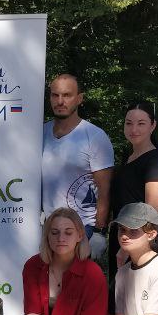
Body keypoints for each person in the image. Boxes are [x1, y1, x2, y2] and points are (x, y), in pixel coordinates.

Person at [41, 73, 115, 260]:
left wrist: (99, 232)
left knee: (77, 287)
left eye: (67, 95)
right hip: (48, 228)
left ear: (79, 99)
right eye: (55, 95)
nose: (60, 101)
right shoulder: (39, 133)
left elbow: (104, 190)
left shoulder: (95, 137)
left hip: (83, 228)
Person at [109, 100, 158, 219]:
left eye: (141, 124)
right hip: (120, 231)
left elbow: (151, 213)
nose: (134, 129)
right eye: (129, 123)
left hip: (137, 234)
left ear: (153, 125)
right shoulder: (127, 157)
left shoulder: (156, 162)